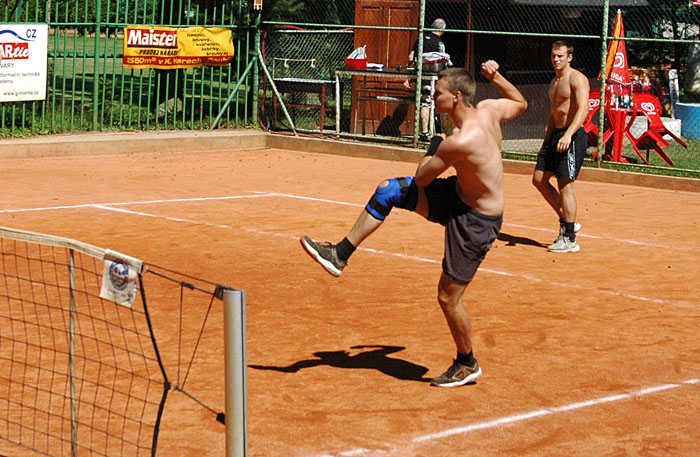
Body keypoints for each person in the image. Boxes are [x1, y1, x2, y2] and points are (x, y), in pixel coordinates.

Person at [300, 62, 527, 387]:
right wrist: (497, 77)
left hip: (477, 221)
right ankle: (340, 253)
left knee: (448, 298)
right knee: (389, 191)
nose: (433, 98)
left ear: (456, 97)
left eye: (438, 93)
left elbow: (422, 177)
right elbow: (520, 102)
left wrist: (434, 143)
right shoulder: (489, 109)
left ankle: (467, 363)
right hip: (458, 194)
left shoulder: (460, 141)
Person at [532, 40, 589, 253]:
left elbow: (583, 110)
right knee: (539, 179)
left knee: (565, 185)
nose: (556, 59)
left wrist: (568, 134)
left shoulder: (577, 79)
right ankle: (568, 220)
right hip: (555, 136)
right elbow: (554, 112)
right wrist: (546, 141)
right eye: (553, 56)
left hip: (571, 136)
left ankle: (570, 238)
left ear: (569, 57)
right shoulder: (554, 82)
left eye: (560, 56)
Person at [404, 18, 450, 142]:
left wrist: (410, 75)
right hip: (435, 76)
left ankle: (424, 132)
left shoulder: (421, 38)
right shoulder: (440, 43)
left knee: (425, 101)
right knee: (433, 102)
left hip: (422, 75)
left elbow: (411, 56)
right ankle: (434, 131)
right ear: (443, 29)